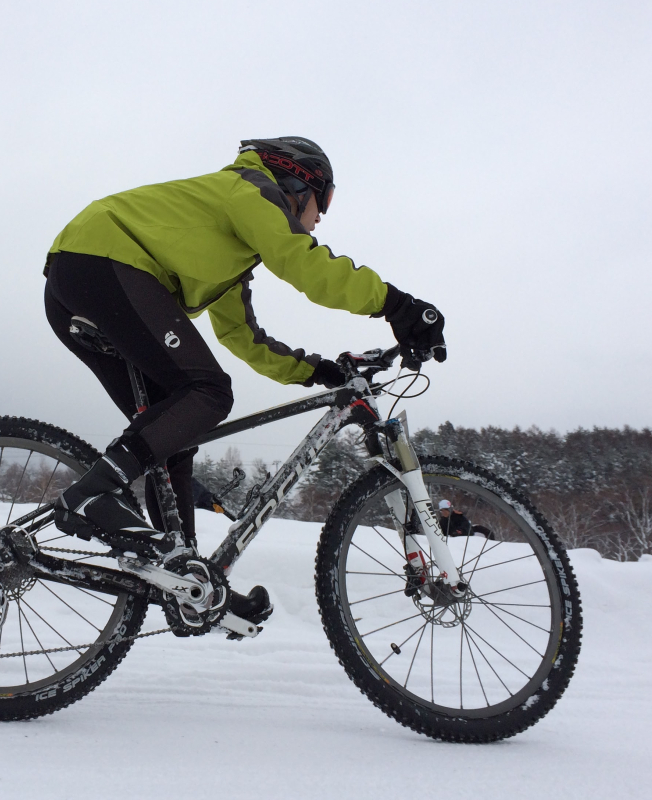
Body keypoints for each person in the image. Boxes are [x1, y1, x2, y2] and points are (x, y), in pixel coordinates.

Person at [43, 137, 446, 623]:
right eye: (326, 201)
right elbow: (304, 264)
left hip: (82, 280)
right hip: (103, 262)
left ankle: (182, 578)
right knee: (209, 392)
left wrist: (314, 370)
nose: (322, 217)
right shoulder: (249, 190)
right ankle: (92, 494)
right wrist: (400, 306)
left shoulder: (232, 251)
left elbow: (243, 337)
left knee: (175, 429)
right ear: (299, 181)